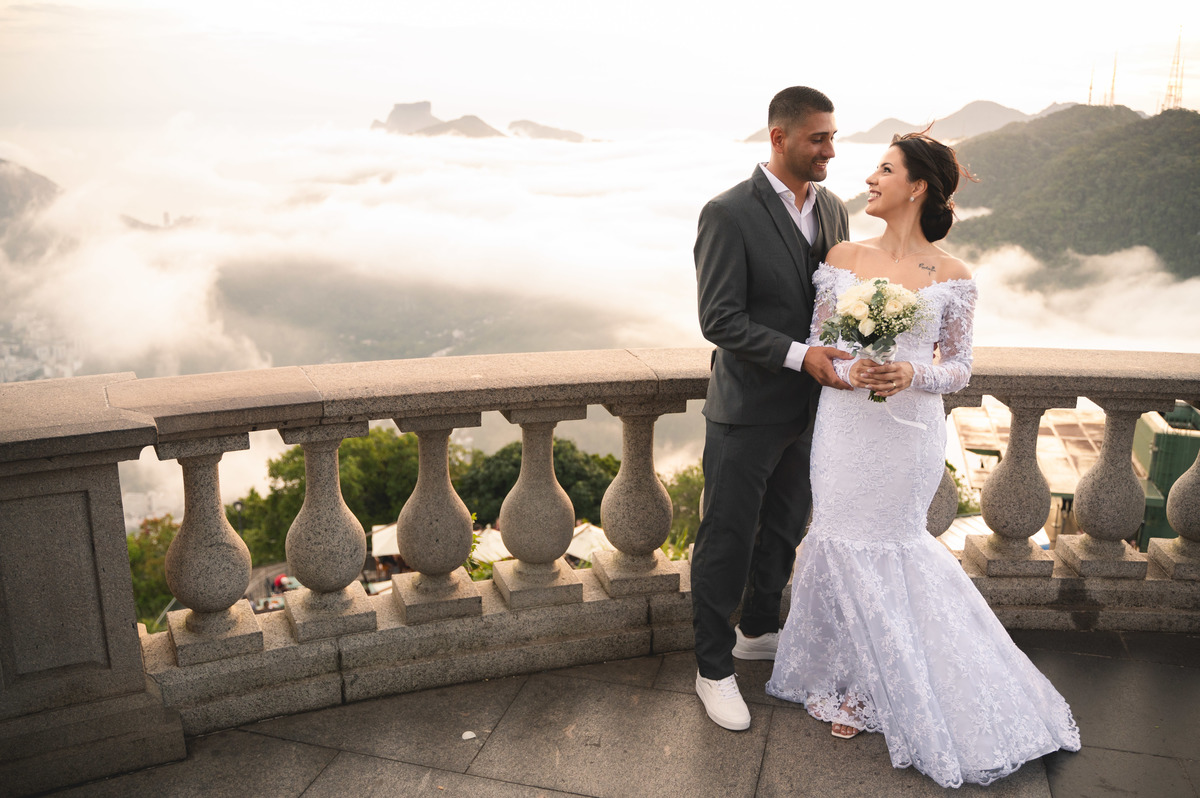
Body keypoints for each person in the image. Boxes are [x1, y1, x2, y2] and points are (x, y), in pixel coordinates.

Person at [766, 131, 1080, 788]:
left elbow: (959, 369)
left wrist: (908, 373)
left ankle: (904, 683)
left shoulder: (953, 275)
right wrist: (850, 374)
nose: (871, 178)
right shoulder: (844, 254)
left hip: (907, 431)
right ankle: (851, 682)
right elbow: (821, 345)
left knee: (892, 544)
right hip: (846, 424)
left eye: (885, 169)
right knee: (839, 538)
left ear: (917, 187)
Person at [691, 86, 853, 731]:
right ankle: (712, 668)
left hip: (814, 411)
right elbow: (719, 318)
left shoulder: (835, 209)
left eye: (833, 137)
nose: (831, 150)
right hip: (746, 409)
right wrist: (799, 356)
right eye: (818, 138)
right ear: (779, 138)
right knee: (727, 536)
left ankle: (757, 631)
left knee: (785, 527)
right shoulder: (728, 212)